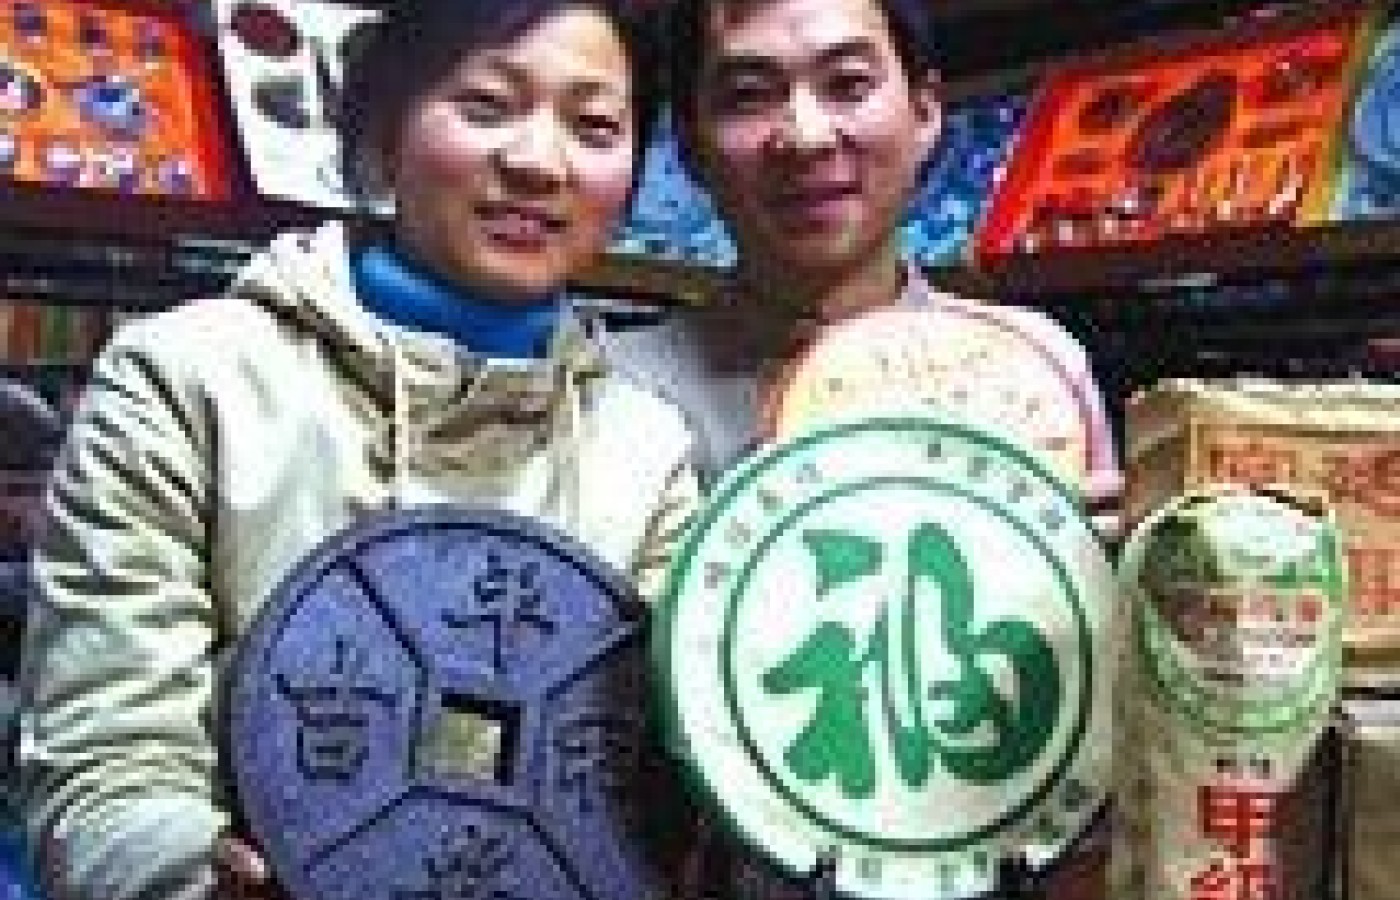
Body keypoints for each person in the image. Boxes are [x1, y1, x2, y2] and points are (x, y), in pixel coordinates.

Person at [17, 1, 698, 898]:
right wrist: (190, 873)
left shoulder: (643, 447)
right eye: (488, 105)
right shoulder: (190, 380)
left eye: (595, 125)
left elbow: (658, 783)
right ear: (382, 135)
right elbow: (104, 761)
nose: (538, 162)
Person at [600, 0, 1122, 895]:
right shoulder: (617, 392)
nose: (804, 135)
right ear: (687, 146)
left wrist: (1115, 586)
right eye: (749, 94)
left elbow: (1090, 757)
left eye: (847, 83)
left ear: (924, 113)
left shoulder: (1031, 371)